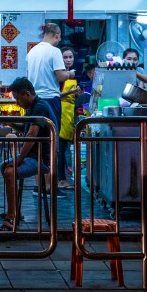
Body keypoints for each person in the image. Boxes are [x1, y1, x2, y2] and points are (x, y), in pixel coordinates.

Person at [0, 77, 54, 230]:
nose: (17, 103)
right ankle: (14, 210)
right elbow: (24, 128)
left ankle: (12, 217)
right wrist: (10, 122)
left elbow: (30, 135)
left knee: (10, 172)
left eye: (17, 98)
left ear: (27, 94)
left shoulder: (40, 107)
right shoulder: (32, 107)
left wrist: (19, 160)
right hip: (32, 156)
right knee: (3, 166)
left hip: (41, 158)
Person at [26, 22, 72, 142]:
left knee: (35, 136)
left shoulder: (32, 52)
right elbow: (61, 76)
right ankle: (50, 160)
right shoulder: (54, 51)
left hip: (34, 99)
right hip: (50, 100)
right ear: (57, 35)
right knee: (51, 136)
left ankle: (36, 160)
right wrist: (70, 74)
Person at [57, 46, 80, 189]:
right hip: (61, 112)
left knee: (64, 147)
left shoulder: (72, 74)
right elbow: (55, 95)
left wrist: (76, 93)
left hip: (69, 114)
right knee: (60, 147)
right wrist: (69, 92)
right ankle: (61, 179)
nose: (68, 60)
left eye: (70, 57)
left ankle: (63, 178)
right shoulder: (60, 76)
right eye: (65, 57)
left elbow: (71, 96)